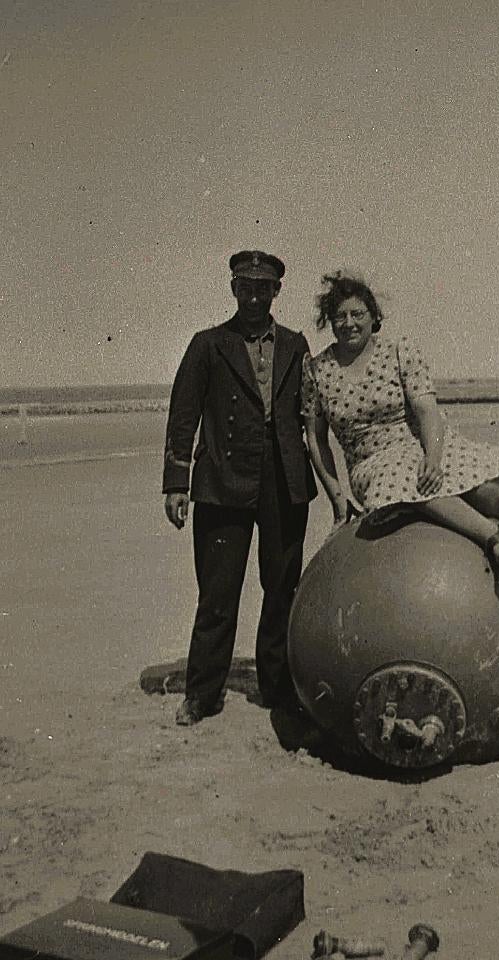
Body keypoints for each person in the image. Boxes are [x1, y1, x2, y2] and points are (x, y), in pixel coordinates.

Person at [301, 272, 499, 578]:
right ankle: (493, 536)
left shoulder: (398, 349)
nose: (349, 323)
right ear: (329, 321)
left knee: (480, 490)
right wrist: (339, 505)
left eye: (357, 314)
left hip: (422, 443)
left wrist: (432, 457)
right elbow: (316, 439)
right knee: (406, 481)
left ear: (373, 316)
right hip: (372, 463)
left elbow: (426, 408)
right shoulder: (317, 370)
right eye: (340, 316)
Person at [163, 250, 317, 726]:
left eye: (263, 288)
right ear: (232, 289)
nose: (254, 296)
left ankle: (276, 687)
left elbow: (312, 415)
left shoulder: (296, 344)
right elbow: (183, 416)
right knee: (217, 593)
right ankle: (202, 695)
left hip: (284, 481)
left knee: (281, 589)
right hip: (221, 481)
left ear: (276, 292)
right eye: (245, 287)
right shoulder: (208, 344)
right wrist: (176, 484)